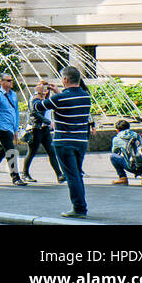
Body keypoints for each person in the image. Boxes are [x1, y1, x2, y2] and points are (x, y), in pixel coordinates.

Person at [48, 65, 93, 218]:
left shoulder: (59, 98)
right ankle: (81, 206)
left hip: (64, 142)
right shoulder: (85, 96)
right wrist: (57, 93)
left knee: (72, 176)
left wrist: (38, 94)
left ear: (65, 79)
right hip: (81, 141)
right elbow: (69, 103)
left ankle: (79, 208)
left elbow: (37, 107)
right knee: (77, 174)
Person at [22, 81, 64, 184]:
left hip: (45, 129)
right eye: (44, 89)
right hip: (35, 129)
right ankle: (24, 174)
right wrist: (48, 122)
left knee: (51, 152)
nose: (46, 91)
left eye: (47, 89)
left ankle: (59, 175)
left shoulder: (46, 100)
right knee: (31, 152)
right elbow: (33, 112)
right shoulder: (34, 98)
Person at [109, 120, 142, 186]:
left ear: (117, 130)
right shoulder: (138, 136)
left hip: (132, 167)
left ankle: (123, 178)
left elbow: (114, 152)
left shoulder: (116, 139)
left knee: (113, 157)